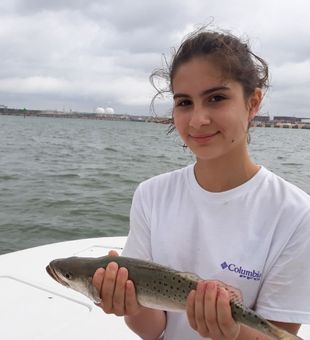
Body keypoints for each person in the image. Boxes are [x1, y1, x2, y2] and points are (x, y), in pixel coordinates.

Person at [92, 28, 310, 339]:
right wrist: (132, 305)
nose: (197, 120)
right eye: (184, 102)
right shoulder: (152, 195)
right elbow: (155, 330)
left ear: (253, 103)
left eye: (216, 98)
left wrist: (233, 332)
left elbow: (280, 335)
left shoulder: (296, 214)